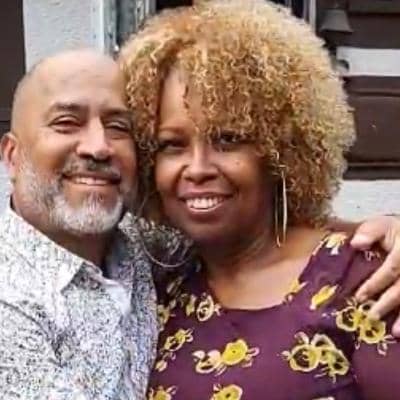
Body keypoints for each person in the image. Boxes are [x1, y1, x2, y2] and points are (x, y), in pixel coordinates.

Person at [119, 1, 400, 398]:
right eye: (172, 145)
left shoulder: (368, 277)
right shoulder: (157, 289)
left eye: (227, 139)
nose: (197, 168)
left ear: (279, 151)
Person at [0, 49, 157, 400]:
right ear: (13, 156)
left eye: (118, 127)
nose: (98, 148)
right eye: (66, 123)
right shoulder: (8, 297)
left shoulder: (149, 250)